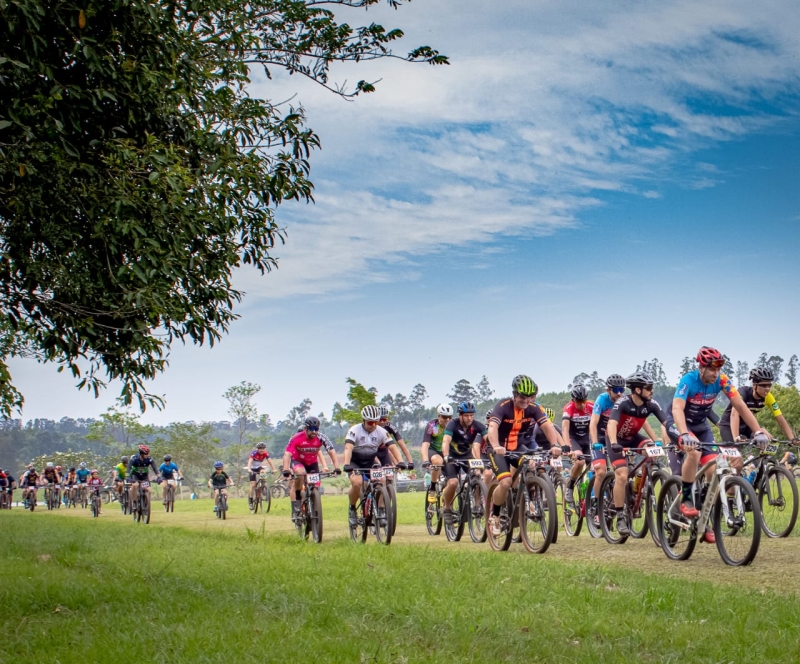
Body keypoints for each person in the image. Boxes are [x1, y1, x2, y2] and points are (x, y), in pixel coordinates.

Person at [669, 346, 771, 541]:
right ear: (701, 367)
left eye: (718, 369)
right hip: (679, 423)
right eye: (711, 369)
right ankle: (687, 501)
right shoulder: (688, 380)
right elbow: (677, 408)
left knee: (714, 469)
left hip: (700, 426)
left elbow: (740, 406)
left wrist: (757, 431)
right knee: (694, 452)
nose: (715, 374)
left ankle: (703, 519)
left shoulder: (722, 380)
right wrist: (683, 433)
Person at [486, 375, 562, 536]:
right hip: (498, 449)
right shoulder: (502, 406)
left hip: (518, 447)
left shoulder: (534, 407)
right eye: (522, 396)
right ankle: (495, 515)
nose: (525, 400)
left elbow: (547, 426)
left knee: (531, 465)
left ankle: (524, 502)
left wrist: (555, 445)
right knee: (506, 482)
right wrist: (496, 446)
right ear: (514, 394)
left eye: (529, 397)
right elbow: (492, 427)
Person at [604, 372, 669, 536]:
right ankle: (619, 516)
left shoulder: (651, 404)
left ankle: (637, 488)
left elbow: (668, 423)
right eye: (649, 388)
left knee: (651, 452)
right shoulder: (622, 403)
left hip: (633, 438)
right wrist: (613, 443)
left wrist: (671, 438)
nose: (652, 391)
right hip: (616, 440)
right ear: (638, 390)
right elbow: (611, 424)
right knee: (622, 475)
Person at [342, 405, 392, 526]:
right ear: (363, 421)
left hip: (370, 461)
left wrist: (401, 462)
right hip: (355, 462)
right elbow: (348, 447)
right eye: (370, 422)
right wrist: (347, 464)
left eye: (376, 422)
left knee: (382, 479)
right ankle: (352, 508)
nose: (374, 425)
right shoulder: (354, 430)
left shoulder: (381, 431)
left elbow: (392, 447)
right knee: (357, 483)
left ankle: (381, 510)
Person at [718, 367, 798, 443]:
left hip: (746, 424)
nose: (767, 388)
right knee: (735, 453)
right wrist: (736, 437)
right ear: (754, 385)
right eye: (763, 385)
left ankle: (762, 457)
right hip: (729, 424)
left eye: (769, 385)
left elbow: (780, 418)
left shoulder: (768, 397)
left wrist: (792, 439)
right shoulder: (743, 393)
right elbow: (734, 414)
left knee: (767, 439)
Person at [283, 416, 341, 517]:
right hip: (298, 461)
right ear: (306, 429)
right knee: (301, 474)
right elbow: (287, 454)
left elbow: (331, 451)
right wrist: (286, 469)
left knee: (316, 486)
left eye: (316, 429)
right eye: (311, 429)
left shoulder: (321, 437)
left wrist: (337, 467)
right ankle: (297, 499)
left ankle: (314, 506)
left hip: (312, 463)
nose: (314, 431)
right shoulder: (296, 438)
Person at [440, 401, 485, 524]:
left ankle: (477, 505)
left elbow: (489, 439)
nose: (469, 418)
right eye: (466, 415)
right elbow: (445, 441)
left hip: (467, 456)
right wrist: (446, 456)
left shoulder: (477, 425)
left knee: (477, 475)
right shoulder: (452, 425)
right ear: (460, 415)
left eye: (471, 415)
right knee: (453, 482)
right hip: (452, 457)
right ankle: (447, 508)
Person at [561, 384, 595, 504]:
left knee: (596, 464)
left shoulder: (591, 406)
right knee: (580, 461)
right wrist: (567, 446)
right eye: (578, 401)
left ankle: (594, 494)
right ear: (573, 400)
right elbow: (565, 428)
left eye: (583, 401)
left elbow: (598, 425)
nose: (581, 404)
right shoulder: (568, 408)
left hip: (587, 438)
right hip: (573, 438)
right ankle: (570, 486)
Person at [421, 404, 454, 501]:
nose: (447, 420)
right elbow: (425, 445)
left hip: (447, 452)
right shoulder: (432, 426)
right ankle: (432, 489)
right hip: (434, 450)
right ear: (438, 416)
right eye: (444, 417)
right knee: (438, 461)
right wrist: (425, 460)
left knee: (452, 480)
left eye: (449, 417)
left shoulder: (454, 425)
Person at [379, 405, 415, 470]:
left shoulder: (389, 425)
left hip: (384, 452)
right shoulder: (371, 426)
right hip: (372, 453)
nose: (382, 422)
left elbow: (401, 444)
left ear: (387, 419)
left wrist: (410, 461)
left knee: (389, 476)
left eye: (384, 419)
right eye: (380, 419)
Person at [127, 444, 159, 509]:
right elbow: (129, 467)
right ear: (141, 454)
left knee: (149, 490)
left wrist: (158, 476)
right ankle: (135, 501)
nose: (147, 455)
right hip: (135, 475)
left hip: (144, 476)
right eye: (146, 454)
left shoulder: (149, 459)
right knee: (135, 485)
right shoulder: (134, 459)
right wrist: (127, 477)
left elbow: (155, 468)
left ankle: (147, 503)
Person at [246, 442, 278, 507]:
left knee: (263, 471)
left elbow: (270, 461)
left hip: (258, 467)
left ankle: (263, 487)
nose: (262, 450)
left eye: (263, 448)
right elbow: (250, 461)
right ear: (258, 449)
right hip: (252, 468)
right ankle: (251, 500)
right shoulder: (254, 453)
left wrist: (274, 469)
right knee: (252, 484)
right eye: (260, 449)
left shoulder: (265, 453)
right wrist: (249, 469)